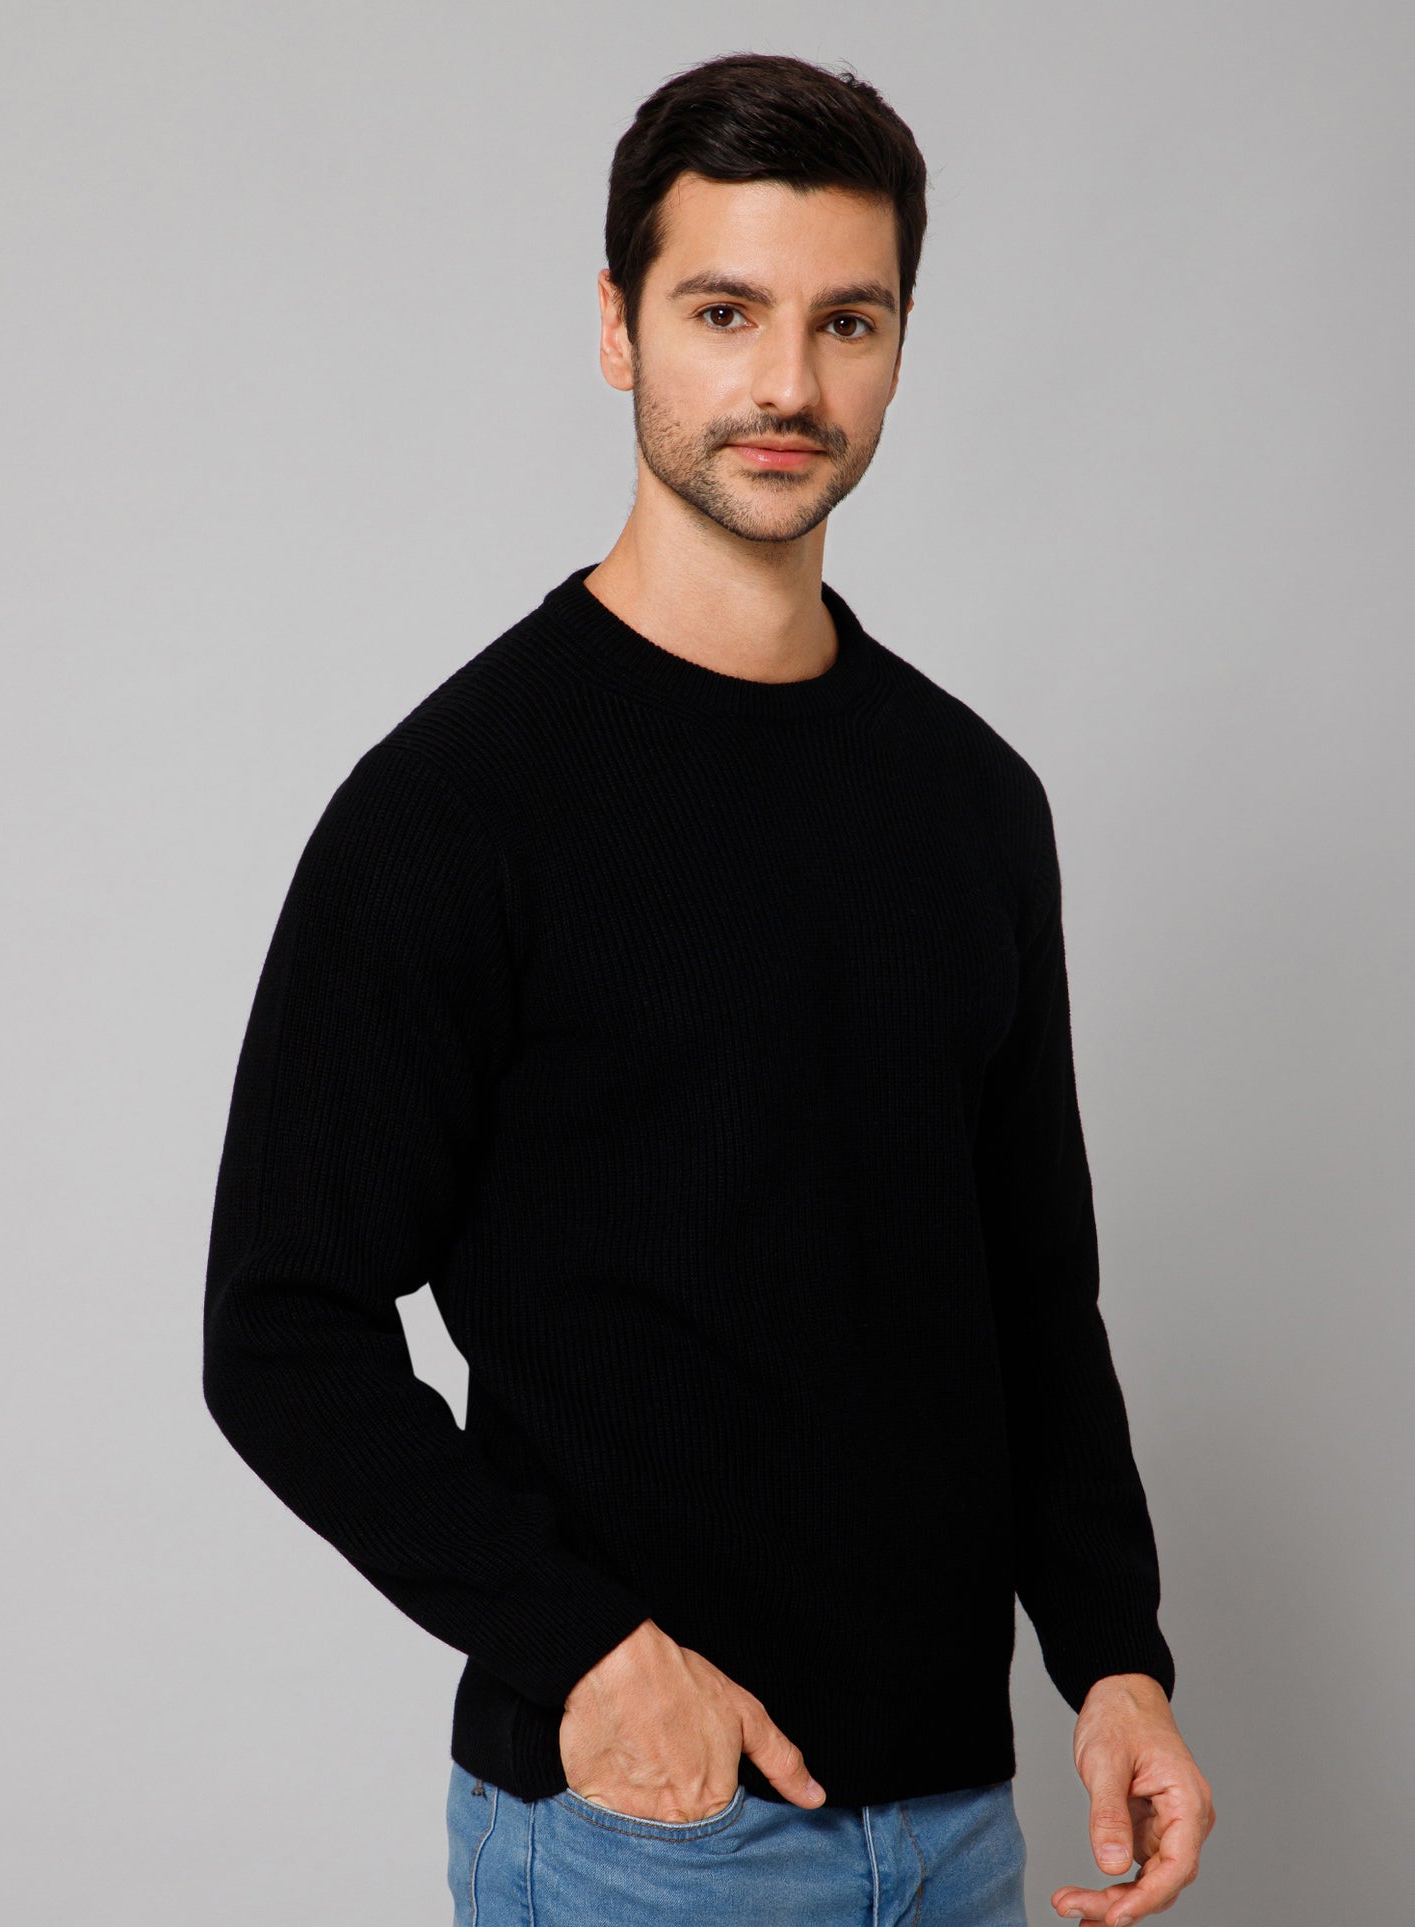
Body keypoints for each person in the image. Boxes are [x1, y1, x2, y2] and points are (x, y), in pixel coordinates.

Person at [203, 49, 1215, 1927]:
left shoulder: (971, 801)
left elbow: (1027, 1291)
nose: (787, 386)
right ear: (618, 328)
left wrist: (1112, 1659)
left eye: (847, 321)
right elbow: (280, 1327)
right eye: (724, 312)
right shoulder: (455, 807)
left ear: (898, 347)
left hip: (961, 1822)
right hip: (648, 1840)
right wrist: (587, 1657)